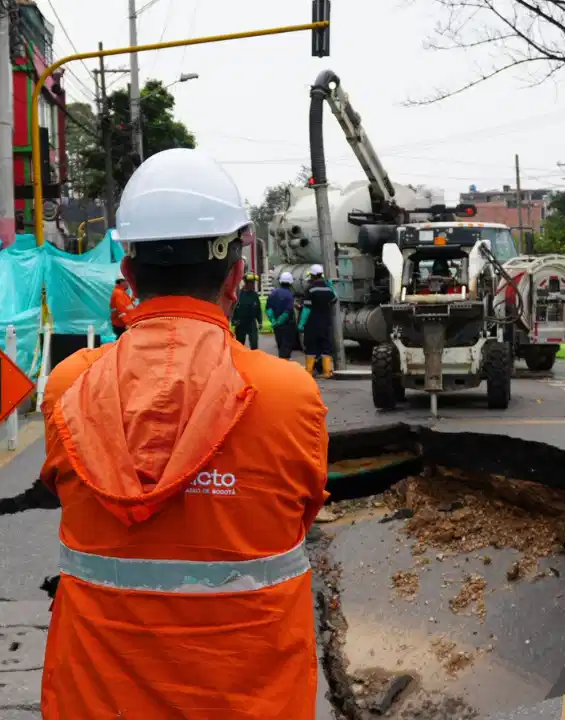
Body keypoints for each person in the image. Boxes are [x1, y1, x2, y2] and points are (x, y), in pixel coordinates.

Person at [38, 148, 328, 720]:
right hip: (253, 701)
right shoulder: (288, 394)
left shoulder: (69, 387)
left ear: (128, 274)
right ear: (236, 276)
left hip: (96, 702)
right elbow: (299, 514)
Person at [299, 264, 337, 378]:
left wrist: (301, 324)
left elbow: (307, 309)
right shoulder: (328, 290)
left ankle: (309, 372)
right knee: (326, 347)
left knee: (311, 347)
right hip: (325, 324)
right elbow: (335, 299)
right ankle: (327, 372)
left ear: (312, 276)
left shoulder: (310, 289)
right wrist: (331, 287)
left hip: (312, 324)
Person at [267, 271, 298, 359]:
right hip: (287, 325)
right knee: (286, 348)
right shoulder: (289, 295)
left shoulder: (273, 293)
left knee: (280, 345)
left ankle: (281, 363)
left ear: (280, 282)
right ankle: (284, 365)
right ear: (290, 283)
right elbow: (287, 311)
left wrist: (273, 320)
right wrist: (280, 321)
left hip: (276, 326)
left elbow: (268, 308)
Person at [232, 272, 262, 349]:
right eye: (251, 283)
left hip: (251, 323)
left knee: (254, 345)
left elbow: (258, 309)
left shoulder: (254, 295)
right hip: (240, 323)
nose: (252, 285)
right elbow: (233, 308)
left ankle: (254, 356)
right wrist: (234, 320)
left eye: (253, 283)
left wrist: (260, 322)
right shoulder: (239, 294)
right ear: (246, 283)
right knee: (240, 346)